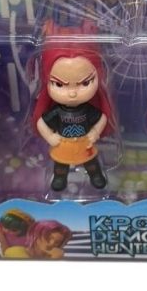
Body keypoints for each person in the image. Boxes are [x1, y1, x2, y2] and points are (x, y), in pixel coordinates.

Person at [32, 24, 115, 192]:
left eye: (85, 83)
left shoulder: (88, 109)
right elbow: (41, 122)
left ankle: (96, 175)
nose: (72, 93)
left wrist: (95, 132)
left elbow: (102, 118)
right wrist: (50, 136)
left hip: (84, 142)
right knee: (61, 165)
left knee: (91, 162)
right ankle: (60, 178)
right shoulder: (57, 111)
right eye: (59, 84)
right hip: (63, 143)